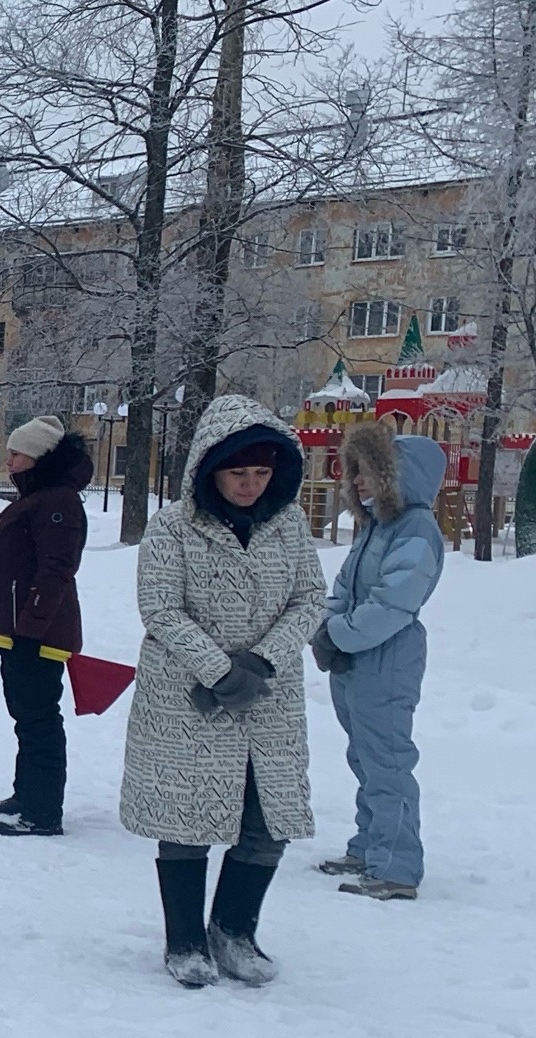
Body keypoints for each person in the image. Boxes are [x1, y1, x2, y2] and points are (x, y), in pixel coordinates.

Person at [121, 395, 327, 987]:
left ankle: (234, 930)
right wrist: (218, 669)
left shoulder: (287, 526)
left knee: (267, 819)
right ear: (210, 468)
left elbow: (309, 598)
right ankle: (185, 938)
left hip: (267, 697)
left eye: (261, 473)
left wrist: (261, 661)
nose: (250, 484)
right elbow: (160, 608)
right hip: (188, 700)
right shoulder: (171, 529)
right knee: (188, 818)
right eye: (238, 472)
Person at [313, 421, 446, 900]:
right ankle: (369, 845)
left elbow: (395, 601)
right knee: (363, 755)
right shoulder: (375, 527)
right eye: (356, 472)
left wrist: (341, 635)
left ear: (398, 476)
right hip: (356, 658)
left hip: (388, 657)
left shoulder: (416, 529)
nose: (359, 481)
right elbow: (345, 588)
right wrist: (327, 629)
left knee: (387, 759)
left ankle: (396, 866)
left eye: (370, 471)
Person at [0, 416, 93, 838]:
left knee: (40, 718)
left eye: (16, 454)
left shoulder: (57, 502)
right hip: (19, 632)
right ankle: (26, 794)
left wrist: (30, 629)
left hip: (38, 637)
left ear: (40, 456)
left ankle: (43, 813)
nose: (8, 462)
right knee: (25, 716)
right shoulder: (40, 498)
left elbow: (56, 570)